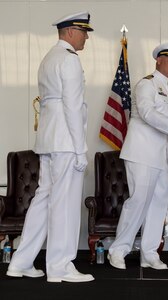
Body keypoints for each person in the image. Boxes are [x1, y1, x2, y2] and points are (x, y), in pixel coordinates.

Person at [6, 11, 95, 283]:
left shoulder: (48, 58)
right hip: (66, 141)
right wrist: (80, 148)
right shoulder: (68, 60)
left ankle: (19, 262)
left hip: (49, 140)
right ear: (69, 31)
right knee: (63, 203)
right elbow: (71, 107)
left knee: (43, 201)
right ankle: (60, 266)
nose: (86, 38)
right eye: (83, 32)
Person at [108, 42, 168, 270]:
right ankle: (118, 250)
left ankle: (149, 252)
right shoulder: (146, 84)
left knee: (158, 204)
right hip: (141, 152)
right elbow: (147, 113)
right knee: (137, 202)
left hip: (160, 157)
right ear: (158, 60)